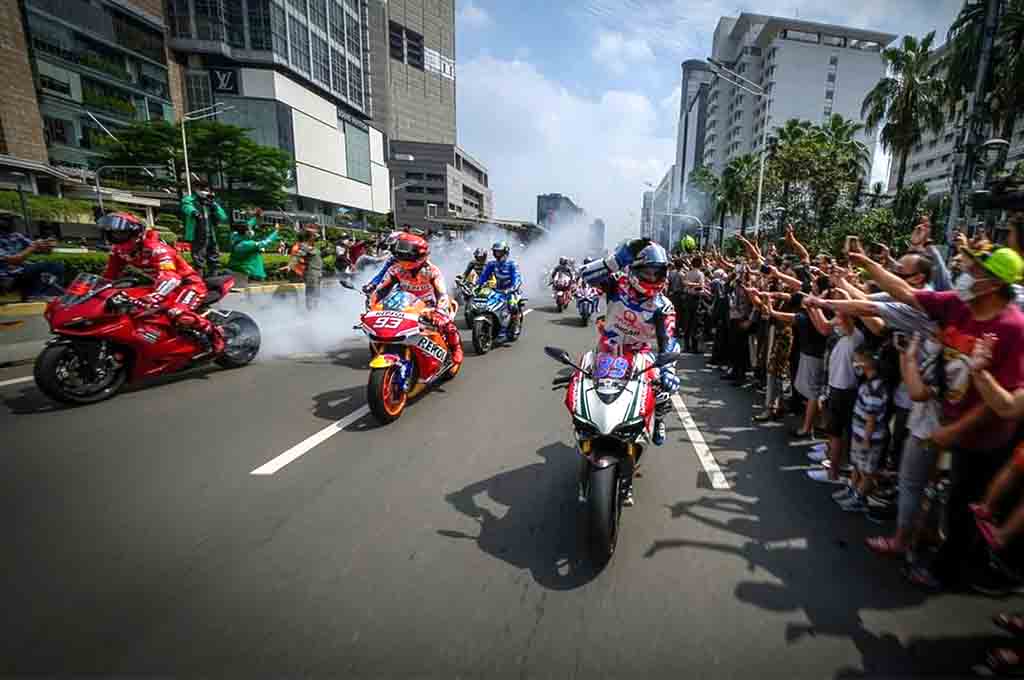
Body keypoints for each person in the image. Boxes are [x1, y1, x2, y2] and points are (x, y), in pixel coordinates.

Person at [851, 246, 1024, 592]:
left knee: (965, 508)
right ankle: (923, 543)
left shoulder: (1012, 328)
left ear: (992, 284)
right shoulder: (959, 306)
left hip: (984, 439)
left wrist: (954, 431)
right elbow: (906, 292)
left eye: (972, 270)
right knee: (944, 495)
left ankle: (948, 574)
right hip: (949, 425)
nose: (963, 274)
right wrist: (868, 265)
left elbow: (1003, 405)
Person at [580, 239, 679, 463]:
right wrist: (616, 260)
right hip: (606, 349)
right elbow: (585, 276)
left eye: (658, 272)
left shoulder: (663, 306)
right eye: (648, 271)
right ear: (634, 269)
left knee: (663, 392)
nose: (653, 278)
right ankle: (586, 428)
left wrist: (669, 371)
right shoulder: (618, 283)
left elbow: (668, 341)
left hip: (639, 354)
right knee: (582, 383)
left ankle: (659, 419)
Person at [98, 212, 223, 353]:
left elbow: (171, 277)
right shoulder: (119, 251)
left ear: (135, 233)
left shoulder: (156, 249)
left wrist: (154, 297)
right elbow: (109, 276)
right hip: (160, 285)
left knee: (177, 313)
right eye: (112, 234)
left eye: (120, 234)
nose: (115, 238)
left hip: (188, 284)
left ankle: (215, 334)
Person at [368, 233, 463, 367]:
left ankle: (456, 349)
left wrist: (440, 312)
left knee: (448, 325)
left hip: (428, 306)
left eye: (406, 258)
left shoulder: (432, 272)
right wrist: (372, 307)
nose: (401, 260)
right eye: (399, 256)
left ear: (420, 257)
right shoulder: (395, 270)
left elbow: (442, 294)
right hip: (403, 303)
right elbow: (381, 290)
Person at [834, 345, 890, 513]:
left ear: (867, 363)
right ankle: (852, 489)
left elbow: (872, 418)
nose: (854, 363)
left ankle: (859, 497)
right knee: (857, 465)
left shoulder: (875, 388)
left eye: (857, 359)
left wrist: (866, 440)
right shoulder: (867, 383)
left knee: (867, 471)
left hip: (869, 439)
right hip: (859, 435)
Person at [0, 218, 62, 300]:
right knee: (39, 267)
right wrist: (33, 247)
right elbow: (15, 260)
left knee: (57, 266)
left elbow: (40, 249)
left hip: (22, 271)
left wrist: (47, 244)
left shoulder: (16, 236)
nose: (6, 223)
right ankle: (34, 295)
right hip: (6, 276)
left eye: (7, 219)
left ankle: (45, 294)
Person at [180, 182, 227, 277]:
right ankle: (199, 278)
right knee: (198, 256)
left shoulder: (211, 202)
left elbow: (223, 216)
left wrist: (214, 205)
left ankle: (214, 277)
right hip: (198, 233)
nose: (204, 192)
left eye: (206, 190)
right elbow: (186, 207)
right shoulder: (190, 200)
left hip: (211, 233)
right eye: (202, 189)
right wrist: (194, 213)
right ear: (196, 189)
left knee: (214, 255)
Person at [477, 241, 524, 333]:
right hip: (497, 290)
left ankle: (515, 325)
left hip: (511, 291)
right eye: (495, 252)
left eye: (499, 252)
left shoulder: (512, 264)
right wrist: (478, 285)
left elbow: (517, 279)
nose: (497, 254)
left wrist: (512, 289)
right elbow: (483, 276)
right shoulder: (491, 264)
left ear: (505, 252)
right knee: (486, 304)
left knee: (512, 305)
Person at [227, 211, 279, 285]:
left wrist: (256, 217)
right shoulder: (246, 244)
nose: (251, 231)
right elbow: (266, 242)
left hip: (238, 271)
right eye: (249, 229)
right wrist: (276, 232)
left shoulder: (235, 236)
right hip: (248, 274)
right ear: (246, 232)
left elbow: (248, 224)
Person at [681, 256, 706, 353]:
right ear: (700, 264)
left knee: (687, 322)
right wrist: (696, 285)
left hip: (688, 298)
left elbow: (685, 283)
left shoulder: (688, 273)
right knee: (696, 324)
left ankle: (686, 346)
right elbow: (701, 287)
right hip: (696, 299)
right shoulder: (700, 274)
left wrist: (689, 284)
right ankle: (695, 347)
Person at [295, 226, 323, 311]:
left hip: (318, 272)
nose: (316, 237)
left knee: (317, 294)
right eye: (314, 236)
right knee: (311, 294)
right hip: (311, 273)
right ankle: (310, 312)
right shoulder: (304, 246)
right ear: (310, 237)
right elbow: (298, 256)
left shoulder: (313, 246)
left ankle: (315, 310)